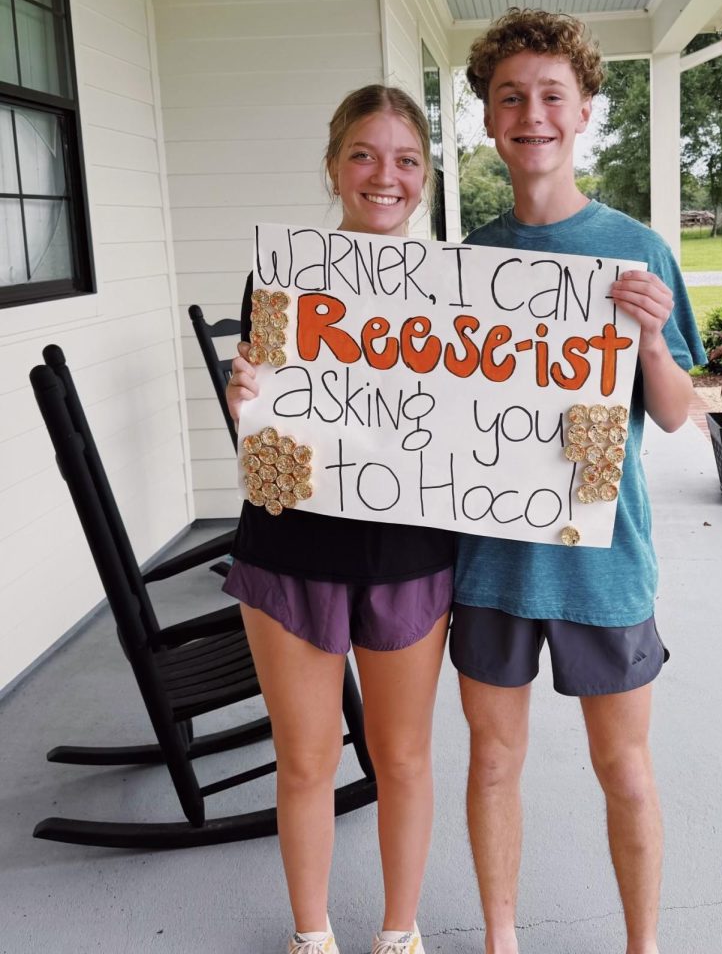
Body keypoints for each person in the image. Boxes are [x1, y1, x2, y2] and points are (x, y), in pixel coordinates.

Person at [449, 9, 706, 954]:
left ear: (585, 110)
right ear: (487, 118)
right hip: (490, 562)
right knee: (491, 764)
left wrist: (646, 337)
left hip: (604, 559)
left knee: (626, 768)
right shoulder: (463, 264)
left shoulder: (636, 249)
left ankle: (643, 945)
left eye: (552, 95)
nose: (533, 113)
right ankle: (501, 937)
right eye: (510, 96)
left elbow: (676, 413)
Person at [224, 85, 453, 954]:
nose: (382, 176)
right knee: (308, 761)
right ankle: (311, 934)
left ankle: (401, 931)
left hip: (413, 554)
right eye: (363, 154)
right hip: (292, 549)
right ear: (332, 166)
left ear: (424, 178)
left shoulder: (459, 289)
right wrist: (239, 392)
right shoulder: (280, 274)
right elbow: (263, 421)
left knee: (402, 759)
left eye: (405, 160)